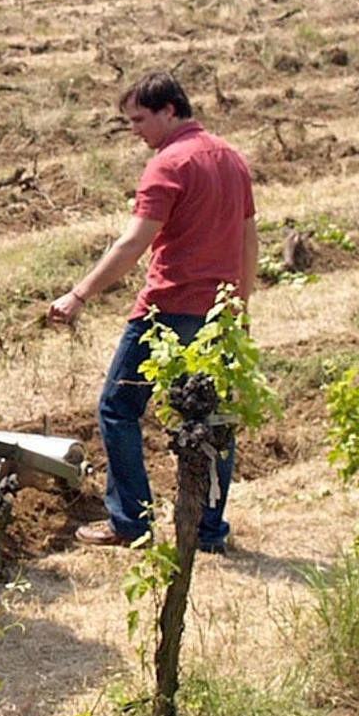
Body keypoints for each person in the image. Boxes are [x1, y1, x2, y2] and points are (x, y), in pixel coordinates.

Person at [48, 72, 257, 548]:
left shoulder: (168, 165)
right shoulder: (231, 157)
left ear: (170, 111)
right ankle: (208, 531)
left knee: (118, 409)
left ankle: (130, 522)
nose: (135, 131)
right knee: (212, 420)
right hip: (219, 315)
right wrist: (240, 309)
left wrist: (78, 295)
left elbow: (132, 244)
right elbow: (249, 239)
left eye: (140, 120)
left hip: (166, 311)